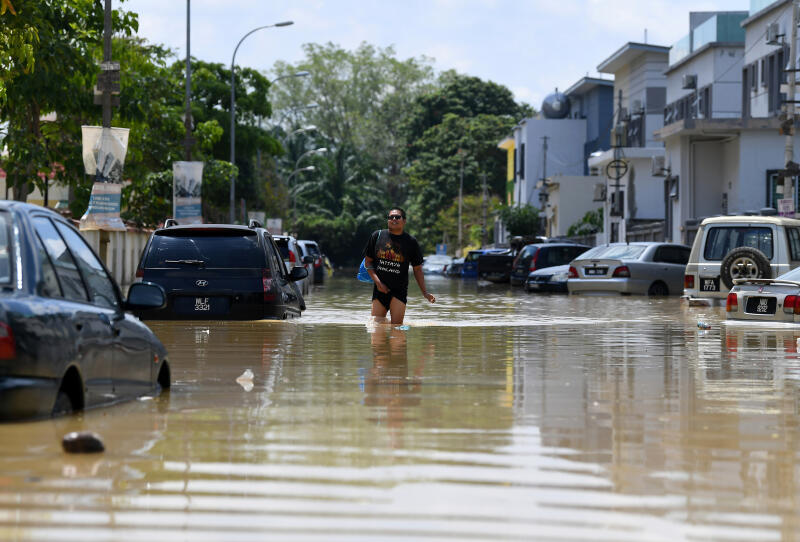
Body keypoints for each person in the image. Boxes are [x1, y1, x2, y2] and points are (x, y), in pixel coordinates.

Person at [363, 207, 435, 324]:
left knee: (397, 328)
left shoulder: (411, 242)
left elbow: (417, 269)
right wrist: (378, 283)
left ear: (404, 221)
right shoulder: (377, 236)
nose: (394, 219)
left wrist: (425, 293)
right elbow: (368, 262)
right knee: (376, 327)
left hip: (399, 290)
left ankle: (403, 331)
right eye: (391, 217)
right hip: (380, 289)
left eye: (397, 217)